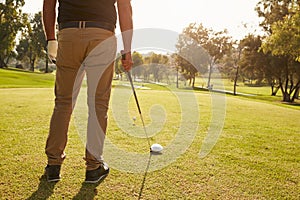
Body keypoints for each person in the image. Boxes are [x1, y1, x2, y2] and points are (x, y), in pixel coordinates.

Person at [42, 0, 133, 183]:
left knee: (63, 103)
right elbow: (124, 8)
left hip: (69, 35)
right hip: (102, 36)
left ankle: (53, 166)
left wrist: (51, 39)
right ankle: (93, 167)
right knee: (98, 104)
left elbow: (48, 3)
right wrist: (127, 50)